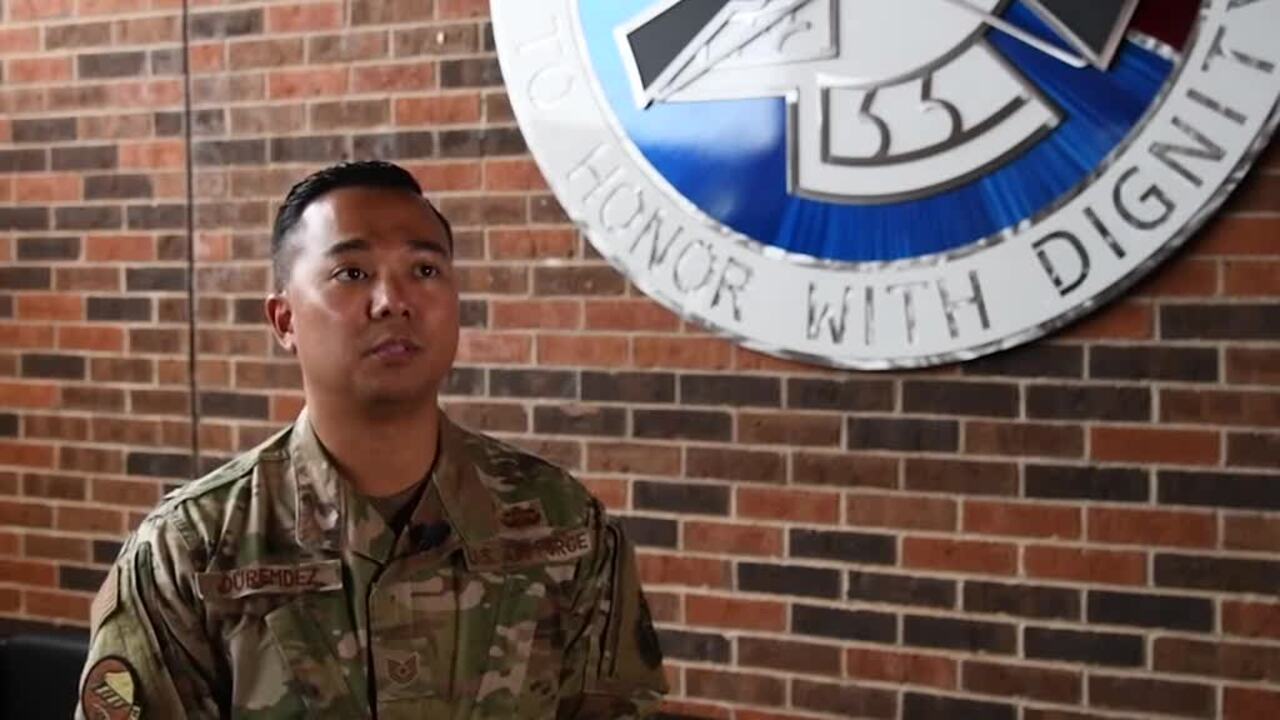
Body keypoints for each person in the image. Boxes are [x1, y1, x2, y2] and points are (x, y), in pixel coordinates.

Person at [76, 161, 668, 719]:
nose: (393, 302)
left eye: (424, 271)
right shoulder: (194, 551)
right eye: (352, 274)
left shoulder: (563, 529)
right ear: (284, 320)